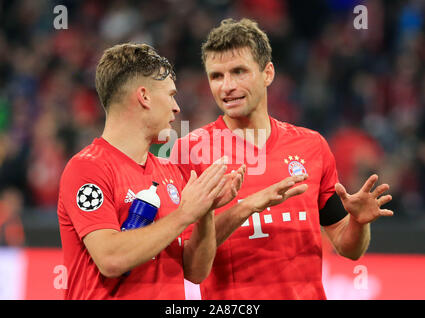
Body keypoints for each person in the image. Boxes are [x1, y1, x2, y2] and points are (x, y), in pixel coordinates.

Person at [170, 18, 394, 299]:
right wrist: (246, 208)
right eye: (216, 76)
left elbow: (349, 247)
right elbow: (190, 263)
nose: (226, 86)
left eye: (239, 72)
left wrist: (359, 223)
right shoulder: (189, 152)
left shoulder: (312, 146)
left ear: (268, 73)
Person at [57, 43, 233, 299]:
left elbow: (195, 271)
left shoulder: (170, 172)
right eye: (171, 95)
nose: (177, 108)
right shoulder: (87, 168)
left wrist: (205, 212)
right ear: (144, 96)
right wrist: (185, 214)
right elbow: (111, 259)